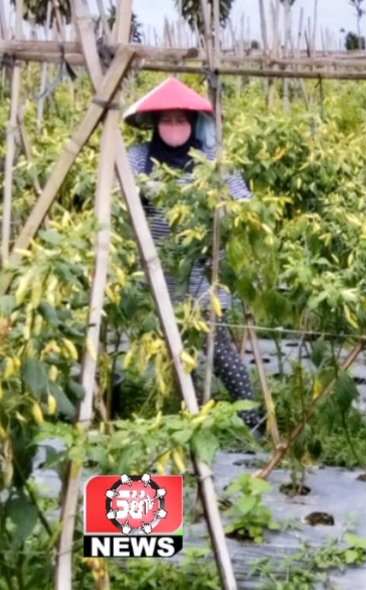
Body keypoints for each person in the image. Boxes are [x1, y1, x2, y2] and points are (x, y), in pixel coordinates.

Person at [121, 77, 263, 433]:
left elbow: (243, 202)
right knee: (168, 345)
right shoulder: (138, 157)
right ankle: (180, 412)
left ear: (192, 124)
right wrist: (145, 192)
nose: (173, 128)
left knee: (217, 345)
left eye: (179, 121)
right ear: (155, 125)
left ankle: (252, 421)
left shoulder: (212, 159)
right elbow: (118, 192)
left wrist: (220, 210)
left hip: (202, 267)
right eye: (166, 121)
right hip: (157, 267)